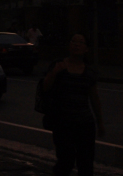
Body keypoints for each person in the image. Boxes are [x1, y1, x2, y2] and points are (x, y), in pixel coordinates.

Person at [42, 33, 105, 176]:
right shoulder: (59, 65)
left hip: (84, 123)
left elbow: (94, 98)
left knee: (86, 163)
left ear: (86, 49)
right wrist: (54, 73)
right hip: (63, 123)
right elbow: (45, 87)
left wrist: (100, 123)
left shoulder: (89, 72)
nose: (76, 44)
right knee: (66, 161)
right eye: (73, 41)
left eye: (81, 42)